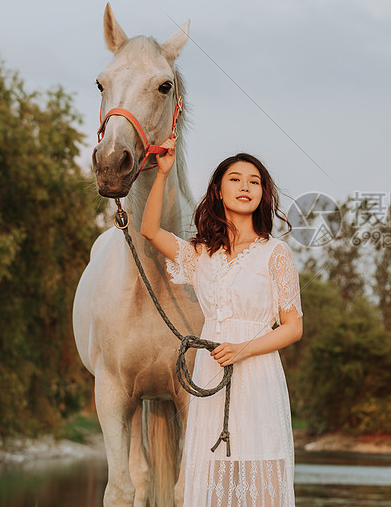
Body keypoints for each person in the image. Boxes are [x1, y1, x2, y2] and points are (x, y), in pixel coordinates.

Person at [141, 138, 303, 506]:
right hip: (211, 373)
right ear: (218, 189)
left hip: (258, 375)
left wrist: (244, 349)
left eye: (254, 181)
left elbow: (293, 327)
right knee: (212, 472)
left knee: (263, 474)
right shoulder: (201, 254)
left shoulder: (275, 254)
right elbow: (150, 230)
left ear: (263, 194)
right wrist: (163, 174)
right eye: (235, 179)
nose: (245, 186)